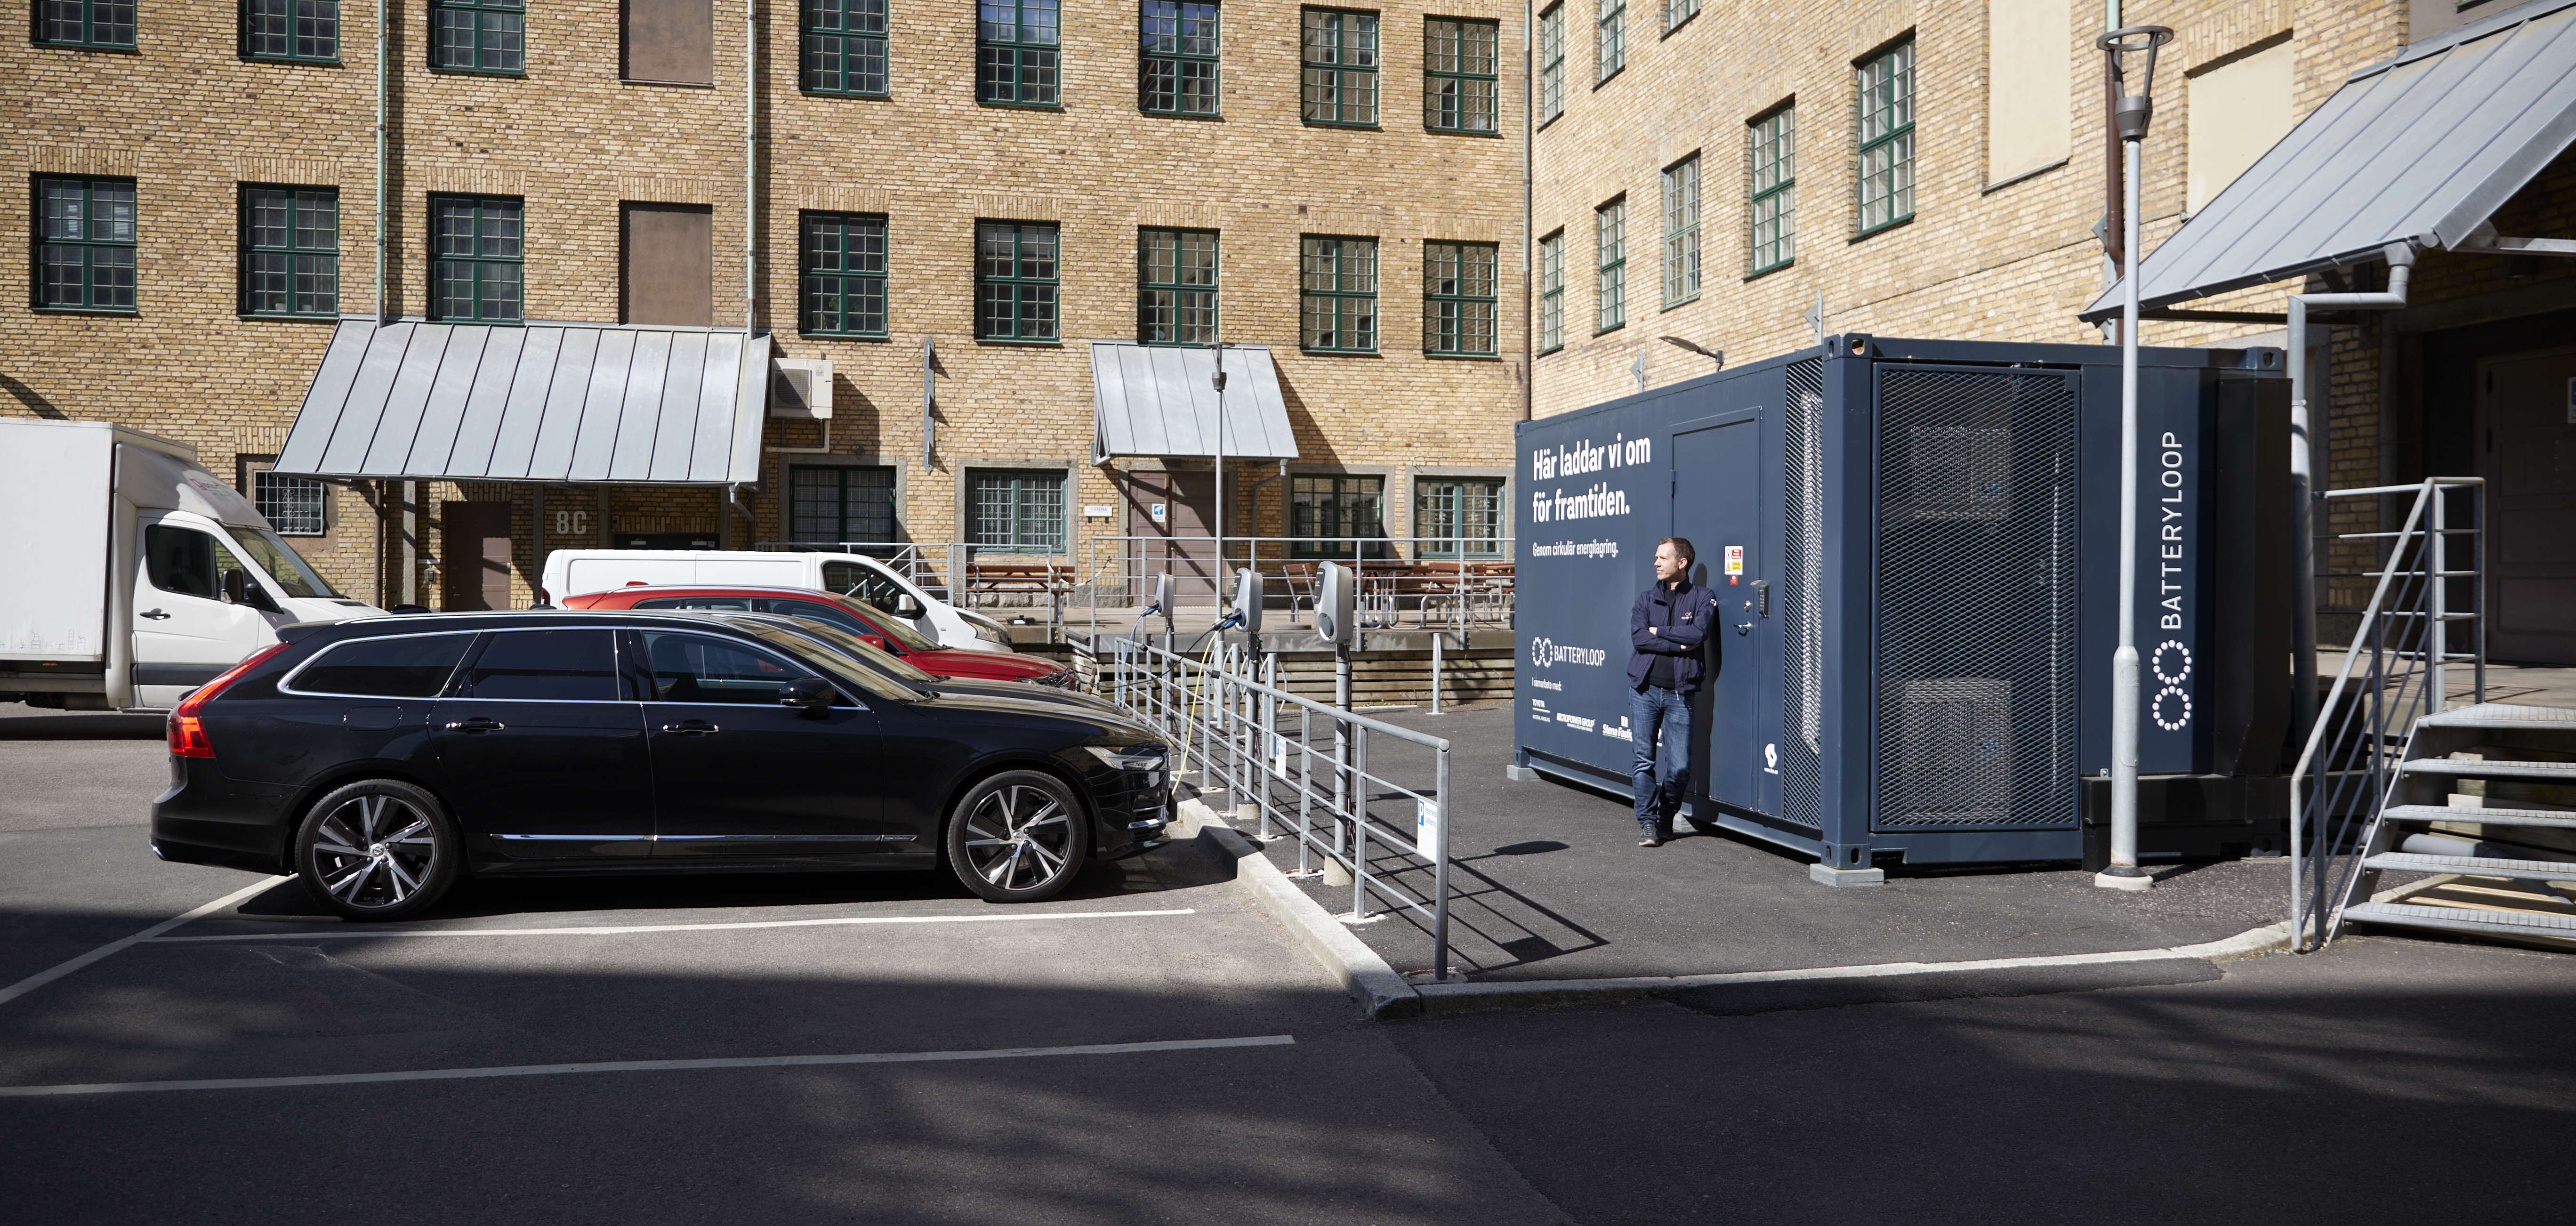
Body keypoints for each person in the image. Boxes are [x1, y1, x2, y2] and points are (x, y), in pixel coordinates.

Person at [1627, 537, 1716, 847]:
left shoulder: (1704, 598)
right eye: (1656, 557)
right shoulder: (1645, 600)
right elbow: (1640, 639)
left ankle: (1667, 816)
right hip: (1645, 691)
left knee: (1679, 767)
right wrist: (1677, 644)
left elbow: (1697, 633)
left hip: (1681, 694)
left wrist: (1659, 632)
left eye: (1663, 558)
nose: (1656, 563)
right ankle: (1648, 823)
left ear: (1682, 563)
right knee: (1644, 761)